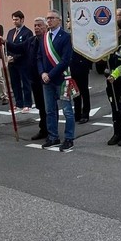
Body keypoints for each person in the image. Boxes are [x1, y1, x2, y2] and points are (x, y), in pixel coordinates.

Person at [38, 9, 75, 152]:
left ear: (59, 20)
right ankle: (53, 137)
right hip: (46, 79)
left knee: (67, 110)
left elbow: (65, 60)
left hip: (61, 78)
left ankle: (69, 138)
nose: (49, 20)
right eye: (48, 18)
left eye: (52, 18)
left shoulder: (65, 37)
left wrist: (50, 74)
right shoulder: (44, 37)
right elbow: (39, 57)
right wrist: (42, 73)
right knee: (50, 110)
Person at [6, 10, 33, 112]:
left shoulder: (28, 32)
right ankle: (18, 103)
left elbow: (26, 48)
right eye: (13, 20)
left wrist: (15, 57)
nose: (15, 21)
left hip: (23, 62)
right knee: (15, 83)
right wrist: (8, 56)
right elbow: (8, 46)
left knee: (25, 83)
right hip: (12, 63)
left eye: (16, 19)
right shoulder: (10, 32)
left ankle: (27, 103)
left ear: (22, 19)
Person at [71, 50, 92, 124]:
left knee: (84, 91)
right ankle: (77, 113)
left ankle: (85, 114)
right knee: (75, 92)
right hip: (72, 67)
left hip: (82, 66)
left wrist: (87, 64)